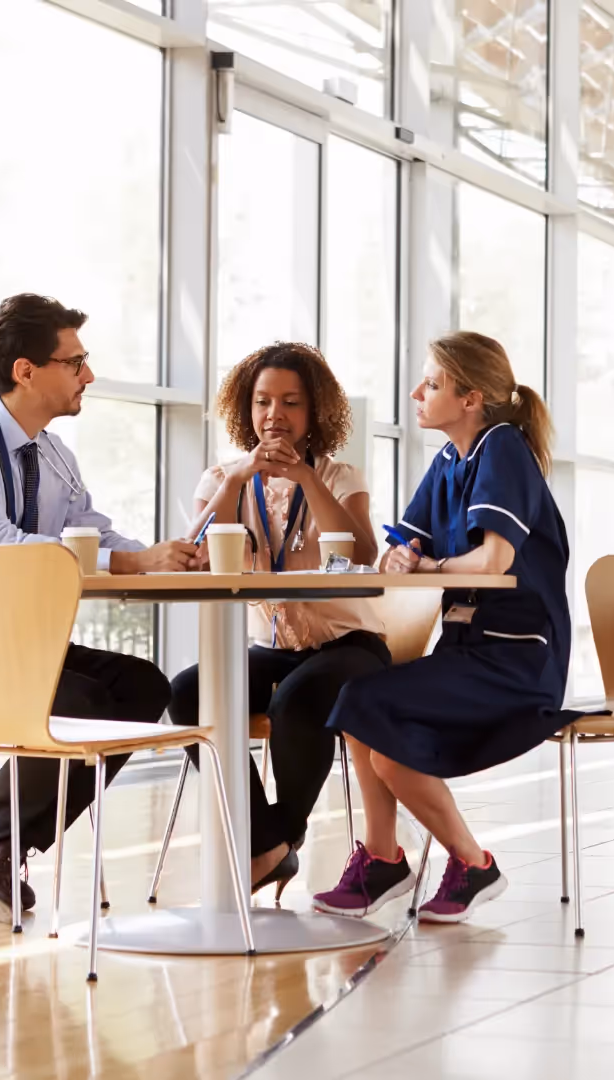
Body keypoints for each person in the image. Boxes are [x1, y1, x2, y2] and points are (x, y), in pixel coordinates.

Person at [0, 293, 200, 924]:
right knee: (84, 703)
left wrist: (157, 555)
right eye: (74, 362)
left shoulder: (52, 453)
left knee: (141, 686)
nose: (89, 375)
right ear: (26, 370)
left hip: (7, 648)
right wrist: (125, 563)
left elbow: (91, 533)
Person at [313, 331, 570, 923]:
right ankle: (385, 859)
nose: (415, 393)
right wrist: (402, 558)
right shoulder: (452, 459)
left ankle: (472, 863)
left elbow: (493, 562)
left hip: (517, 659)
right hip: (465, 650)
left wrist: (425, 564)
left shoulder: (503, 448)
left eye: (431, 383)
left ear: (472, 397)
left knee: (373, 721)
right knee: (360, 706)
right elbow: (398, 549)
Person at [168, 342, 388, 899]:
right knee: (191, 691)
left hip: (349, 643)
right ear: (247, 410)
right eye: (263, 402)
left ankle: (279, 838)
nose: (275, 415)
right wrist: (235, 481)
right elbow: (196, 552)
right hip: (271, 646)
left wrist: (309, 480)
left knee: (298, 698)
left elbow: (362, 551)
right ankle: (267, 840)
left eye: (291, 403)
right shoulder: (224, 478)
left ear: (314, 413)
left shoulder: (340, 475)